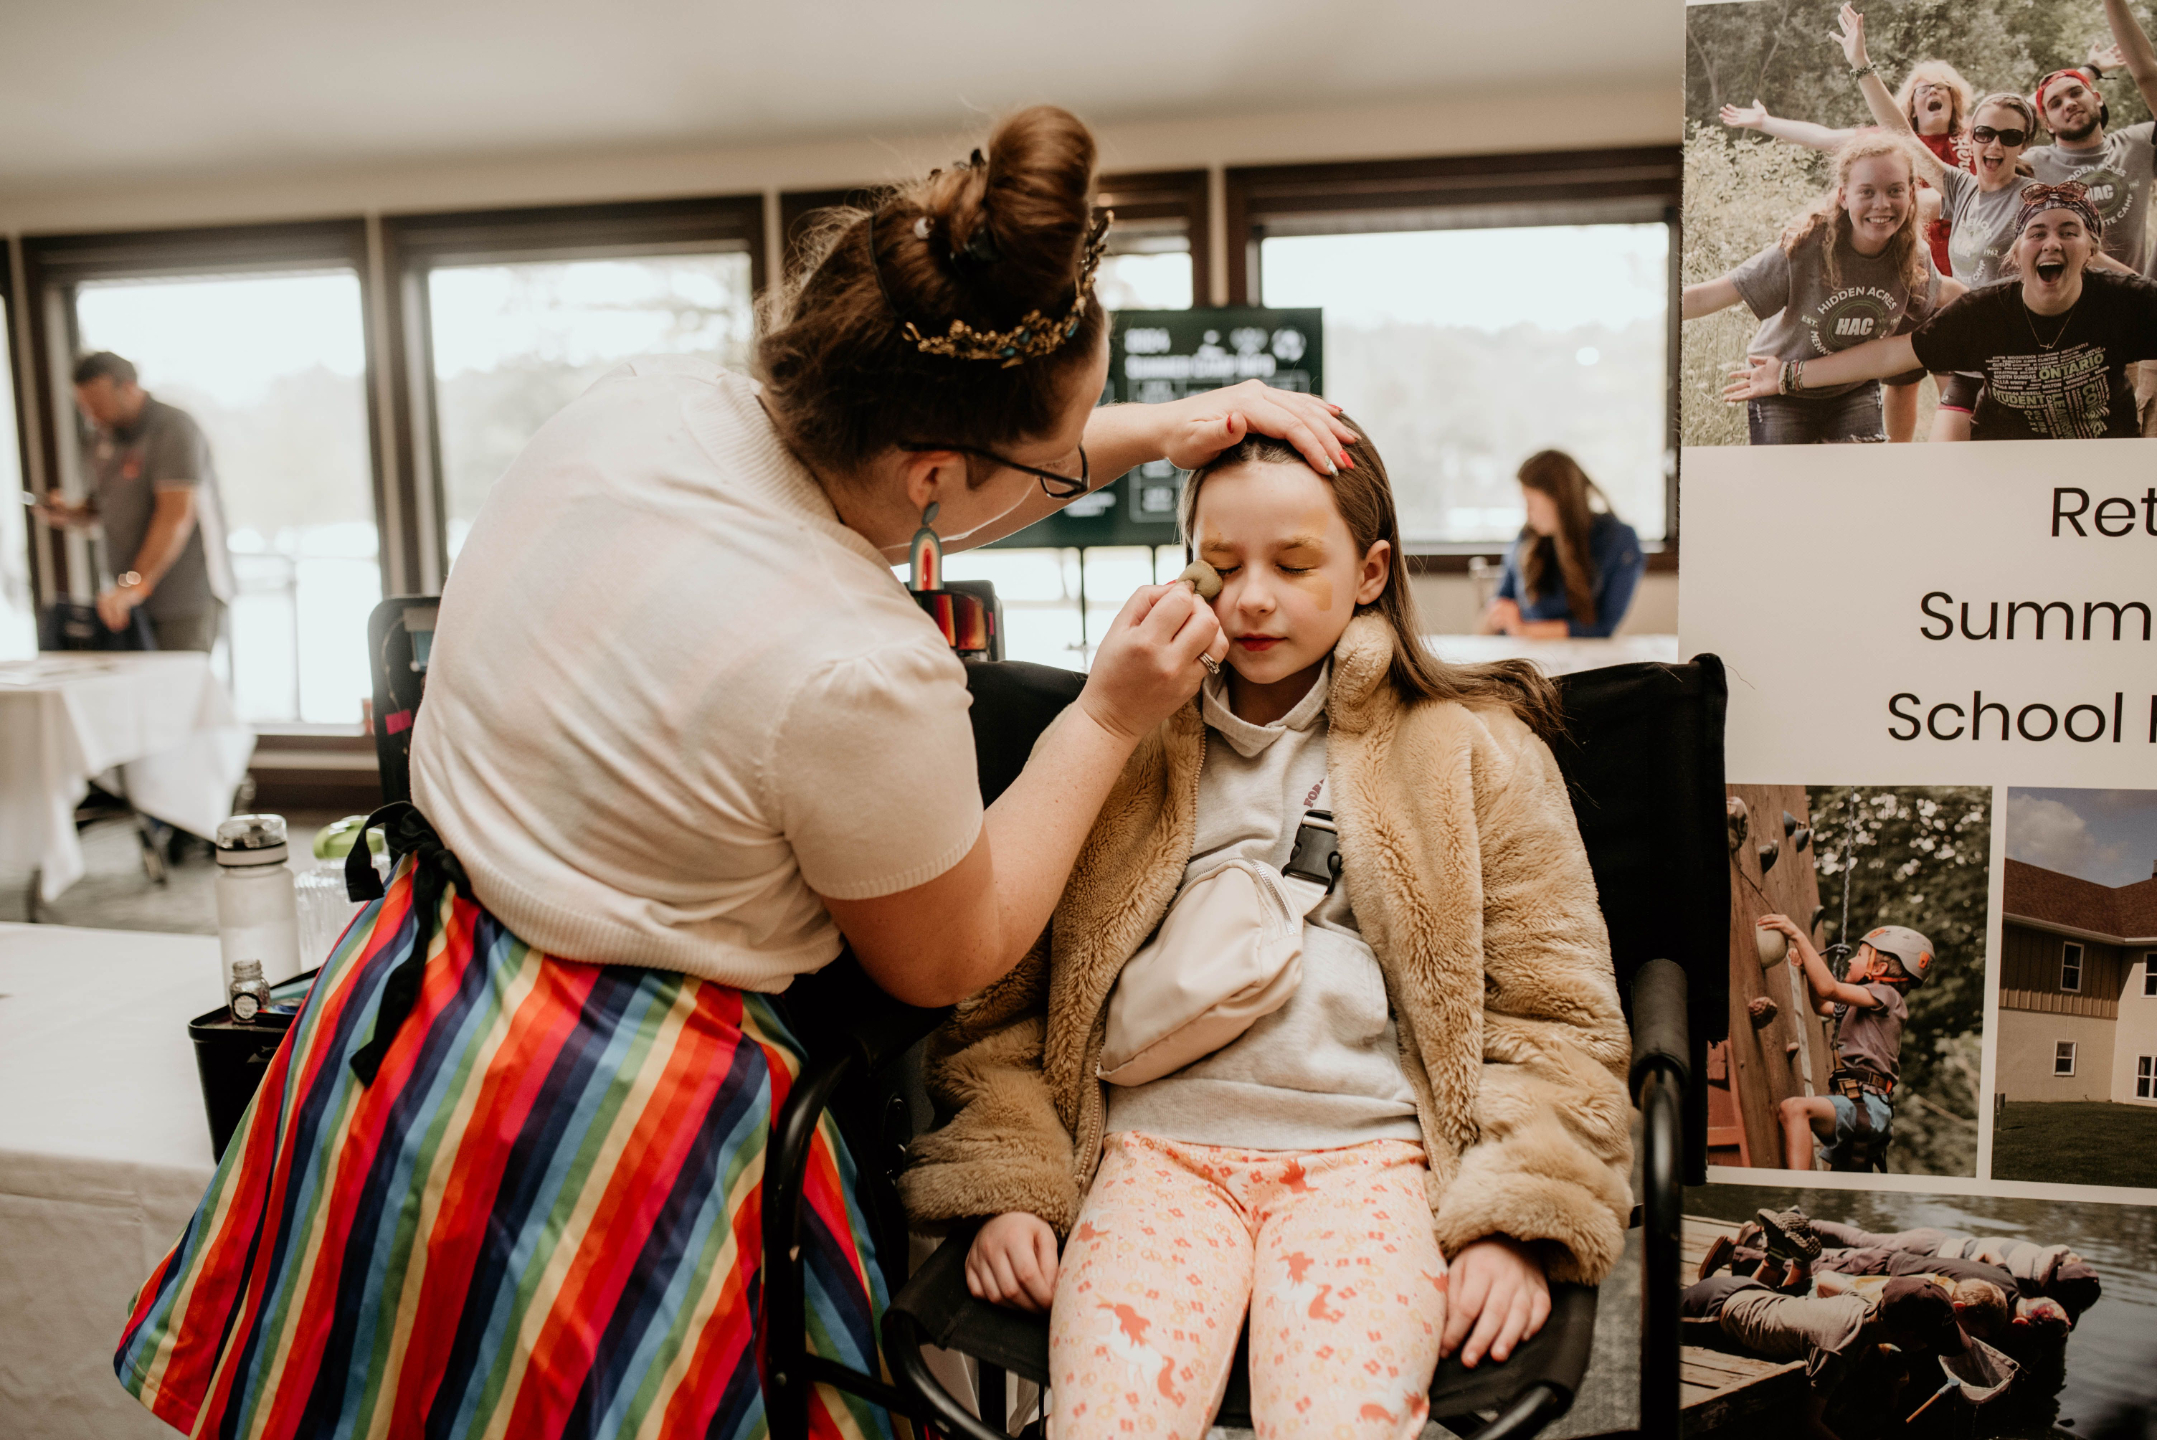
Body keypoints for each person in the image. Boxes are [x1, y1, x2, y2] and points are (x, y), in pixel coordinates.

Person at [112, 107, 1359, 1440]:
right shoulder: (860, 669)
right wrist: (1105, 719)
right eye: (1062, 461)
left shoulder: (639, 405)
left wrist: (1159, 429)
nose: (1071, 470)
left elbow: (943, 473)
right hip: (592, 1103)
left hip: (401, 1005)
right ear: (936, 473)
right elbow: (947, 957)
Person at [900, 422, 1633, 1439]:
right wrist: (1009, 1184)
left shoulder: (1475, 751)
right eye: (1220, 563)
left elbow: (1552, 1017)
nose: (1250, 598)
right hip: (1149, 1159)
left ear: (1370, 571)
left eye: (1292, 565)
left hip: (1371, 1168)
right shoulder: (1114, 744)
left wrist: (1516, 1220)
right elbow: (1004, 1005)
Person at [1833, 5, 2138, 438]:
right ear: (1971, 137)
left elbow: (2092, 259)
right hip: (1970, 357)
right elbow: (1900, 132)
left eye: (2010, 137)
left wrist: (2145, 292)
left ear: (2023, 145)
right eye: (1985, 134)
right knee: (1948, 465)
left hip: (2020, 366)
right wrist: (1861, 64)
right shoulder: (1960, 188)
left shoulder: (2034, 201)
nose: (1995, 146)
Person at [1724, 181, 2157, 439]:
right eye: (2037, 233)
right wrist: (1788, 376)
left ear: (2091, 250)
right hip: (2007, 465)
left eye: (2069, 232)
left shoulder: (2125, 300)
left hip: (2102, 472)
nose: (2052, 243)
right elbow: (1892, 353)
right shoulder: (1984, 313)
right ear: (2016, 253)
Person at [1719, 44, 1976, 438]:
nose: (1932, 92)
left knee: (1952, 378)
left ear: (1955, 98)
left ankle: (1946, 454)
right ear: (1909, 103)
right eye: (1922, 88)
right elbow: (1822, 136)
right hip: (1890, 274)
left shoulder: (1971, 142)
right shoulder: (1884, 144)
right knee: (1901, 382)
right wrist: (1766, 122)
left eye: (1941, 87)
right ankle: (1898, 453)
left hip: (1923, 274)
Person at [1683, 132, 1956, 444]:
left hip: (1852, 387)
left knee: (1861, 473)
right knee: (1785, 474)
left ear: (1911, 194)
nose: (1882, 204)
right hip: (1777, 382)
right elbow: (1713, 294)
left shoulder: (1910, 253)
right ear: (1843, 196)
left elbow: (1942, 292)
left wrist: (1995, 305)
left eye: (1895, 190)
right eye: (1866, 192)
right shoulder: (1806, 246)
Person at [33, 351, 233, 651]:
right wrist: (71, 513)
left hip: (183, 598)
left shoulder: (173, 428)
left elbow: (175, 516)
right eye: (84, 406)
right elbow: (102, 507)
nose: (92, 414)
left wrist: (134, 584)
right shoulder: (99, 438)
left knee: (177, 678)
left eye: (98, 404)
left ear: (128, 388)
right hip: (126, 599)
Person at [2024, 0, 2157, 432]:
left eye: (2076, 92)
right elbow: (1996, 122)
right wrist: (2087, 70)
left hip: (2132, 323)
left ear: (2097, 98)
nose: (2068, 103)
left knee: (2136, 438)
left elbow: (2149, 76)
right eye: (2055, 103)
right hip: (2063, 333)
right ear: (2045, 122)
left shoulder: (2139, 143)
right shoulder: (2032, 163)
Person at [1680, 1273, 1973, 1437]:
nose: (1930, 1348)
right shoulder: (1836, 1350)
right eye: (1931, 1341)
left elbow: (1824, 1278)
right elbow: (1809, 1422)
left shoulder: (1861, 1302)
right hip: (1710, 1312)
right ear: (1908, 1336)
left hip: (1746, 1288)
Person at [1757, 916, 1929, 1171]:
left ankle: (1798, 1190)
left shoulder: (1886, 995)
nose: (1850, 960)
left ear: (1879, 969)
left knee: (1794, 1109)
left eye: (1859, 955)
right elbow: (1822, 1005)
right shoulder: (1864, 1003)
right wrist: (1806, 970)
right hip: (1858, 1102)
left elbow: (1828, 989)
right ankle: (1804, 1192)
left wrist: (1797, 935)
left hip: (1868, 1105)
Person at [1479, 449, 1643, 639]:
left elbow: (1603, 627)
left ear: (1559, 500)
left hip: (1582, 653)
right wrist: (1497, 617)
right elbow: (1498, 608)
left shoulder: (1618, 541)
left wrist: (1524, 630)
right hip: (1524, 650)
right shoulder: (1527, 539)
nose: (1528, 514)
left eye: (1530, 503)